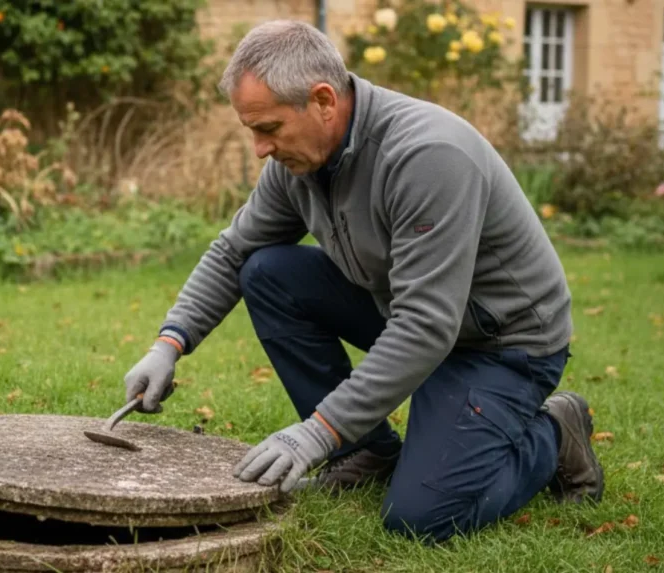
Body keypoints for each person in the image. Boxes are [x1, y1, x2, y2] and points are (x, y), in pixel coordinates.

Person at [122, 19, 604, 543]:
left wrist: (316, 433)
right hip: (409, 311)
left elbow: (425, 327)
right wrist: (169, 343)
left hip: (500, 344)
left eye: (269, 128)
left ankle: (556, 434)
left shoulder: (427, 157)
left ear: (324, 101)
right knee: (266, 272)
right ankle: (367, 452)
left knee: (422, 519)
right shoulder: (298, 165)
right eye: (251, 131)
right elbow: (234, 250)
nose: (259, 149)